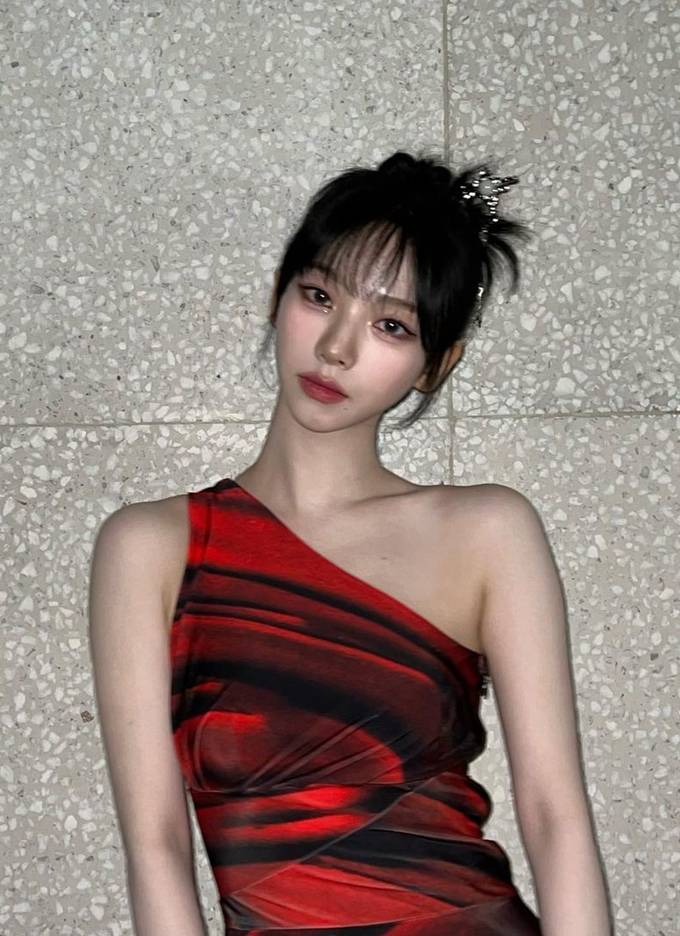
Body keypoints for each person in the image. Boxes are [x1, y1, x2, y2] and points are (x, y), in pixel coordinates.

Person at [88, 150, 613, 935]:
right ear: (277, 294)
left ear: (436, 365)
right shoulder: (151, 547)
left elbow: (554, 817)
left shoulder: (488, 532)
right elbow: (156, 847)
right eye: (320, 295)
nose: (337, 347)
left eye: (390, 325)